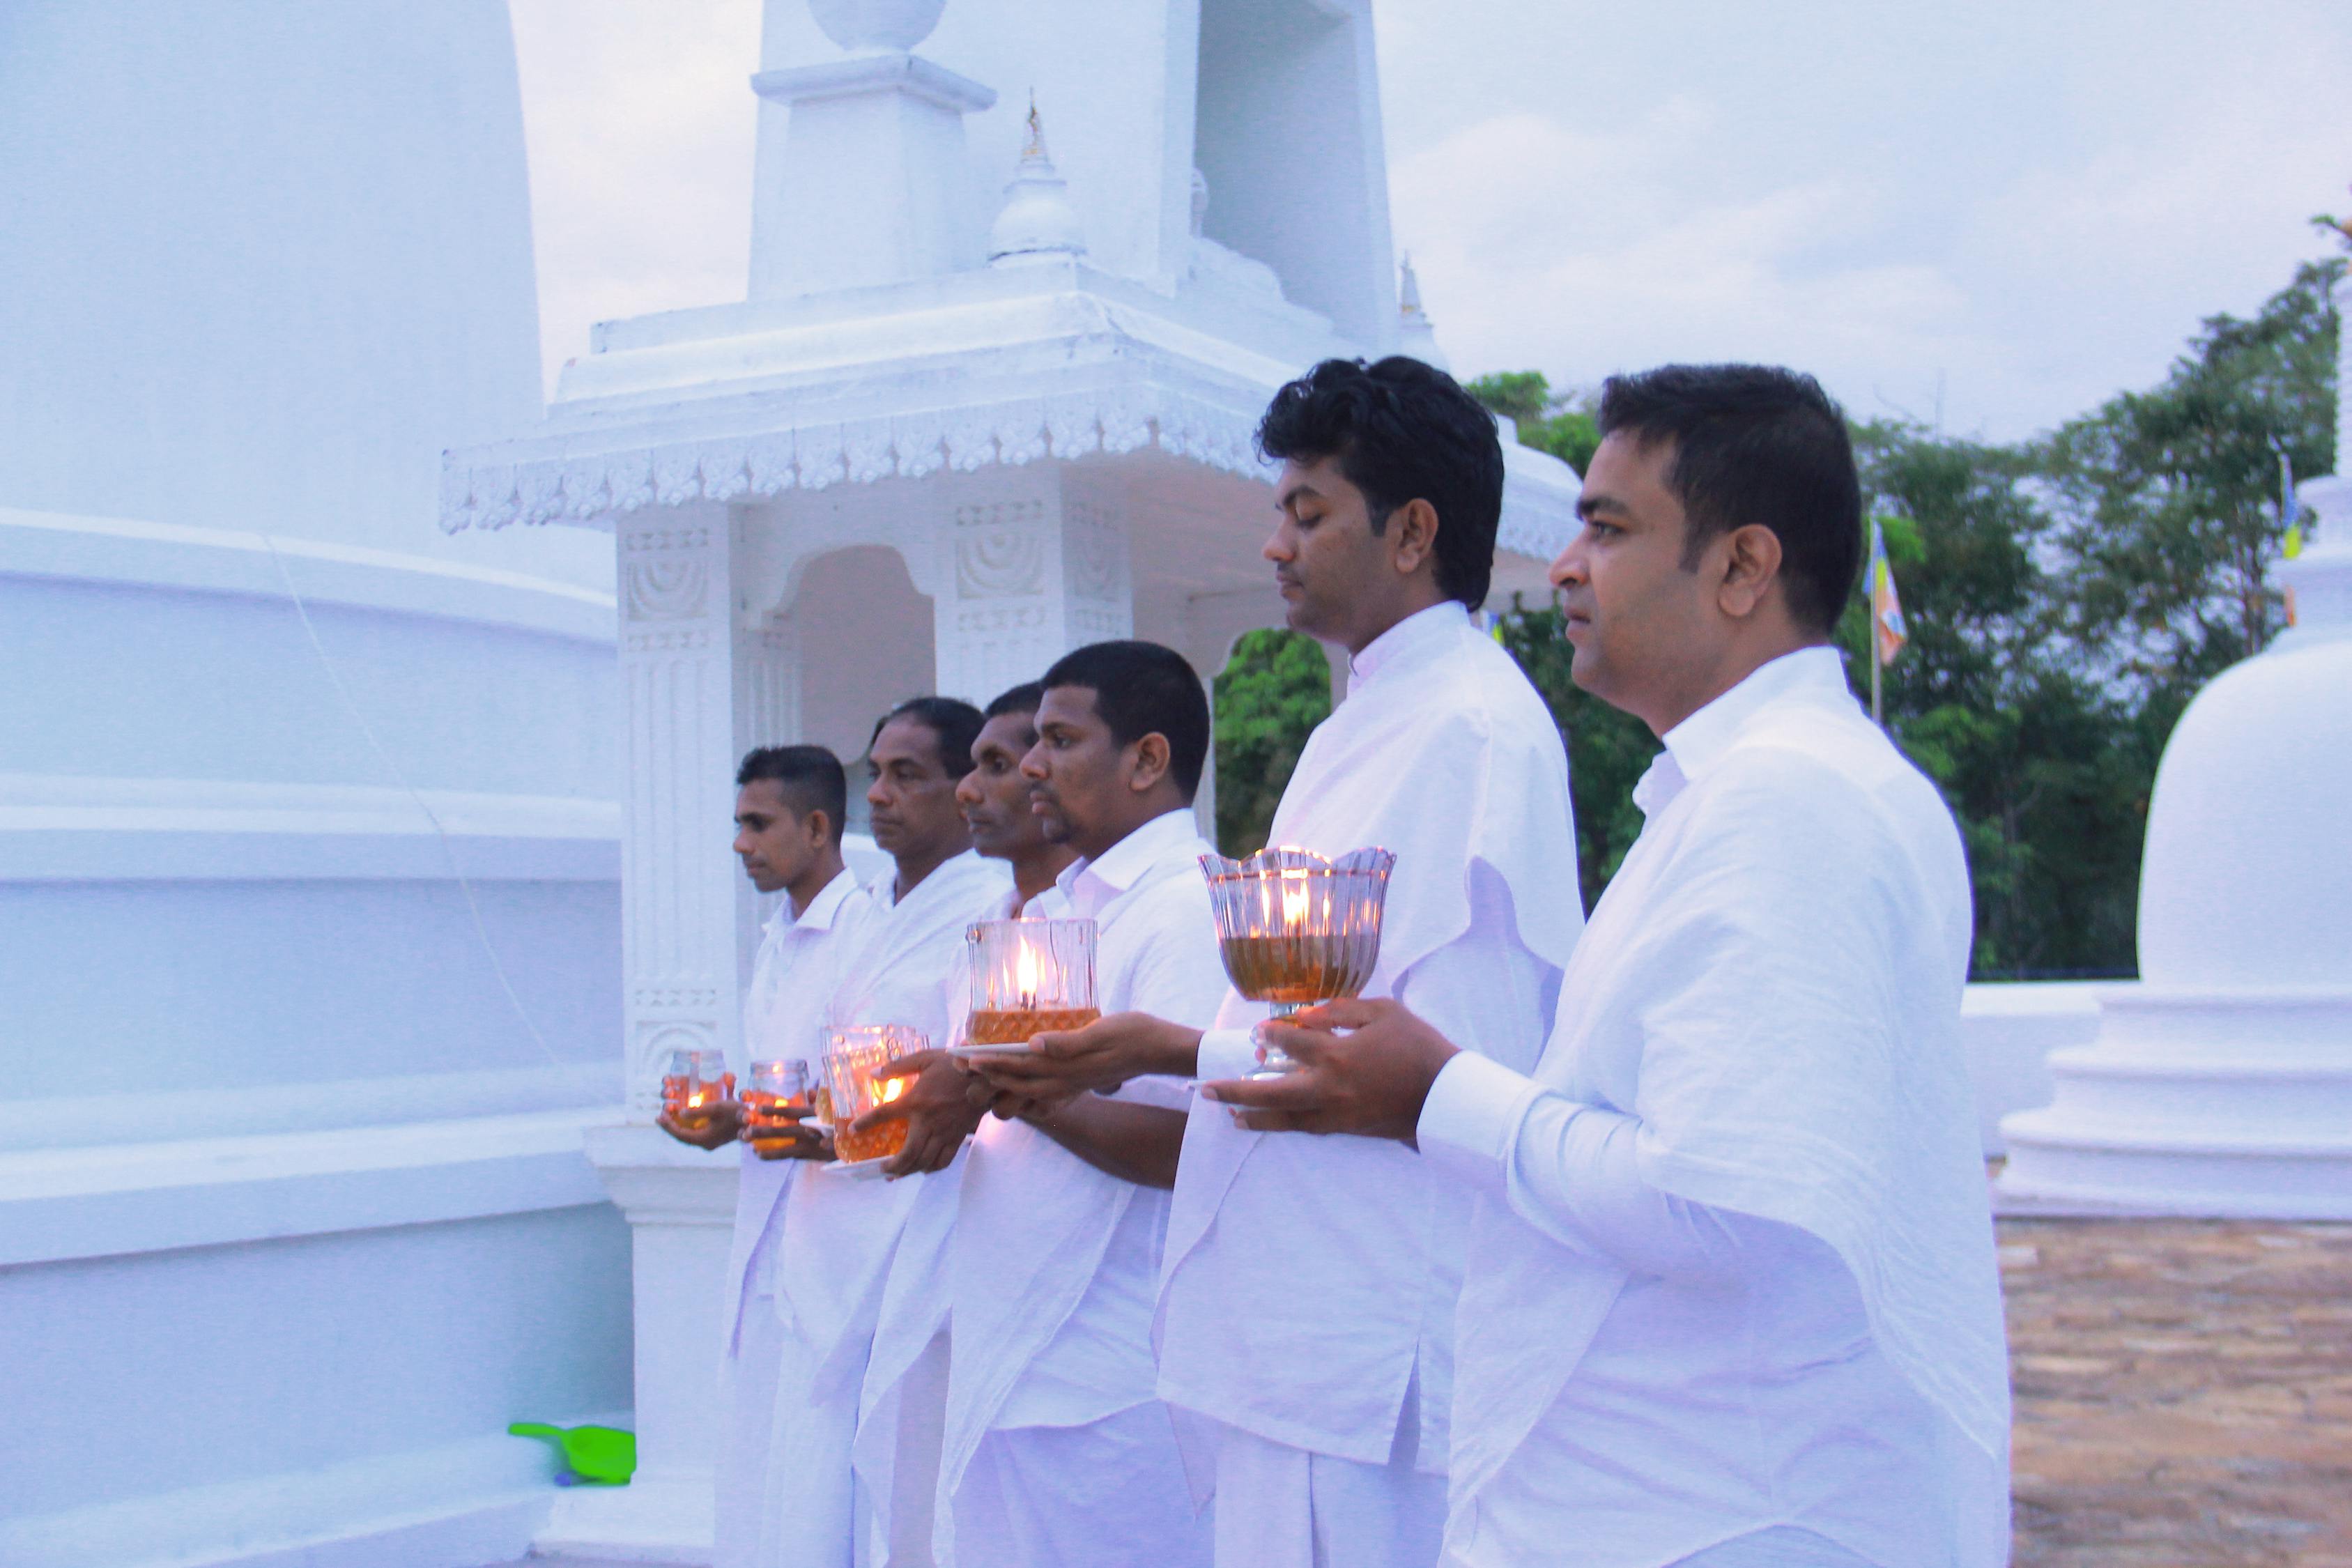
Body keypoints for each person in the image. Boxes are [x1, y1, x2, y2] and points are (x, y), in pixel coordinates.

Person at [1208, 364, 2011, 1567]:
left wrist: (1440, 1095)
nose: (1566, 563)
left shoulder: (1788, 799)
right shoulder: (1745, 790)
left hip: (1720, 1503)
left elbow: (1715, 1198)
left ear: (1743, 568)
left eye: (1610, 527)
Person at [978, 358, 1585, 1568]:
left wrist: (1169, 1047)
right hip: (1297, 1321)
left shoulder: (1468, 727)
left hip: (1366, 1335)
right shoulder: (1364, 722)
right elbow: (1319, 1006)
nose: (1276, 544)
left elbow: (1431, 1057)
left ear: (1412, 532)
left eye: (1309, 513)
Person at [923, 640, 1226, 1568]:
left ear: (1145, 758)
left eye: (1058, 739)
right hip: (1012, 1338)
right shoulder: (1054, 909)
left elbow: (1191, 1143)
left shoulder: (1185, 904)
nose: (1031, 767)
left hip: (1111, 1368)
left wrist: (1009, 1085)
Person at [758, 698, 1010, 1568]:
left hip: (918, 1224)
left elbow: (963, 1080)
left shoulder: (987, 909)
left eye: (909, 775)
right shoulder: (868, 907)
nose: (884, 795)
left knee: (901, 1476)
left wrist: (851, 1129)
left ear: (962, 786)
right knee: (814, 1475)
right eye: (876, 774)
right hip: (826, 1228)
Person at [660, 745, 873, 1568]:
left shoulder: (868, 934)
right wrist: (730, 1119)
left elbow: (863, 1096)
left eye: (759, 824)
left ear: (817, 828)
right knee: (761, 1463)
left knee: (826, 1477)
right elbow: (779, 1092)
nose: (741, 843)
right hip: (769, 1230)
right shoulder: (777, 941)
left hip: (838, 1240)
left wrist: (771, 1123)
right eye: (738, 824)